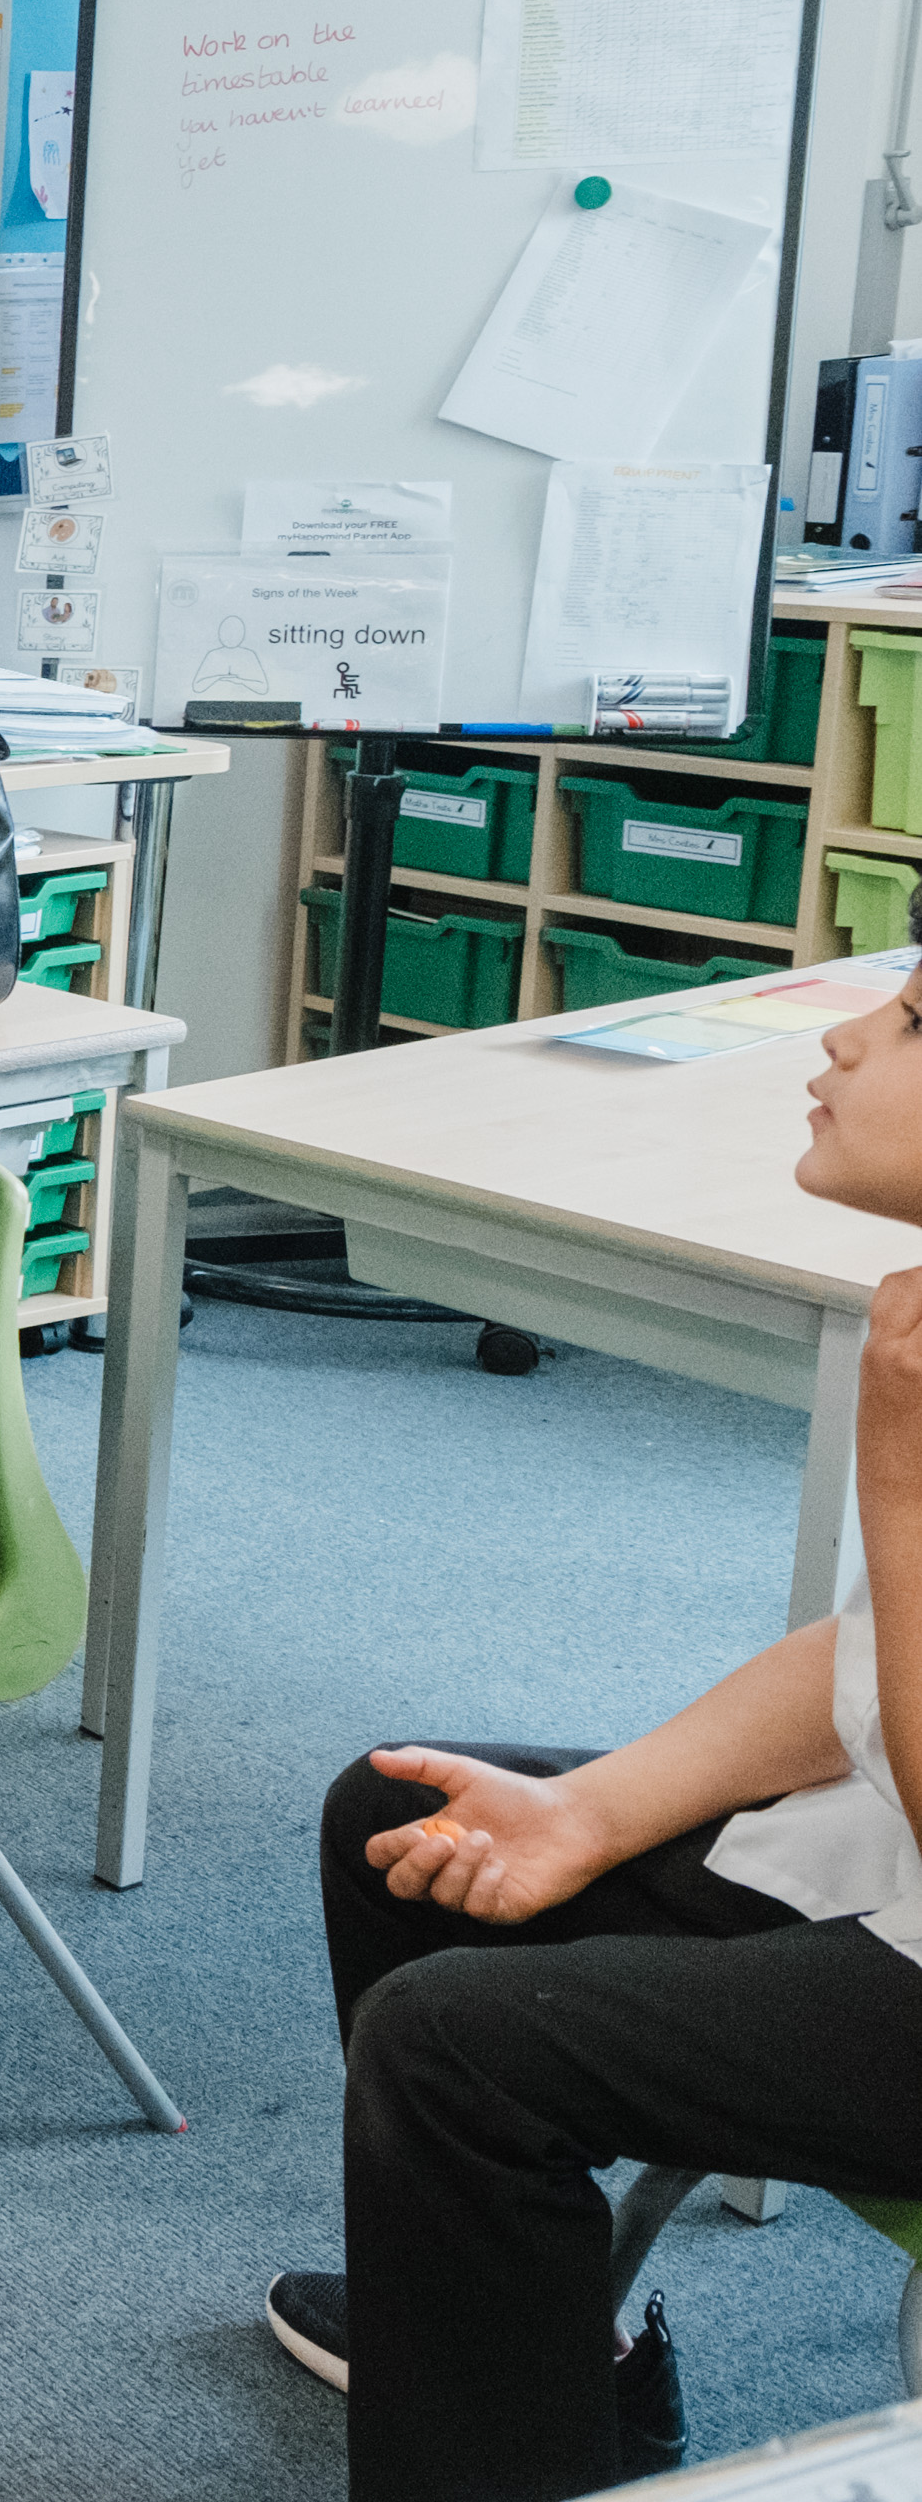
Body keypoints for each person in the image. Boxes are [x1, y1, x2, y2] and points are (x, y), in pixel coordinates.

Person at [260, 977, 922, 2502]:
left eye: (907, 1022)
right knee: (407, 1821)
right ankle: (524, 2348)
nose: (845, 1038)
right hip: (880, 1864)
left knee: (456, 2051)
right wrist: (596, 1811)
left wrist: (896, 1478)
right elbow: (872, 1653)